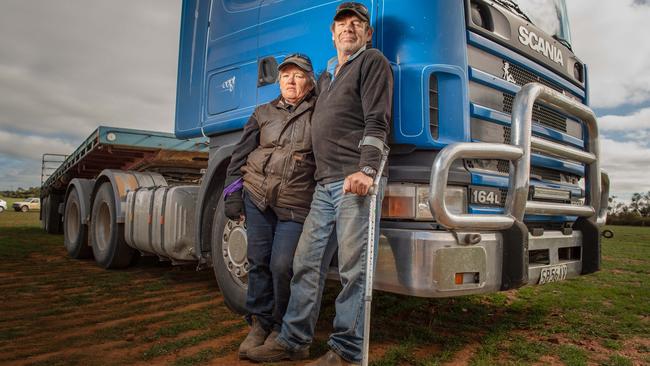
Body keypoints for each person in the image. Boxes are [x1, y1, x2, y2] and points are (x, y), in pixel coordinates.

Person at [247, 2, 393, 365]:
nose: (348, 28)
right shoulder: (326, 77)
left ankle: (346, 352)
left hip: (353, 181)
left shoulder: (372, 62)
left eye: (357, 23)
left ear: (367, 33)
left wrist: (368, 171)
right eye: (341, 23)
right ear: (332, 34)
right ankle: (294, 341)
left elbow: (377, 122)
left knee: (353, 271)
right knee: (305, 264)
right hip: (323, 185)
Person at [221, 53, 318, 359]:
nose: (291, 80)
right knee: (258, 260)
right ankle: (259, 324)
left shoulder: (320, 112)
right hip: (257, 195)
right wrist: (232, 193)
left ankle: (280, 327)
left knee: (283, 265)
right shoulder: (263, 112)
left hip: (295, 201)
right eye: (286, 74)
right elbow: (240, 155)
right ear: (278, 80)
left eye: (298, 75)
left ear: (310, 80)